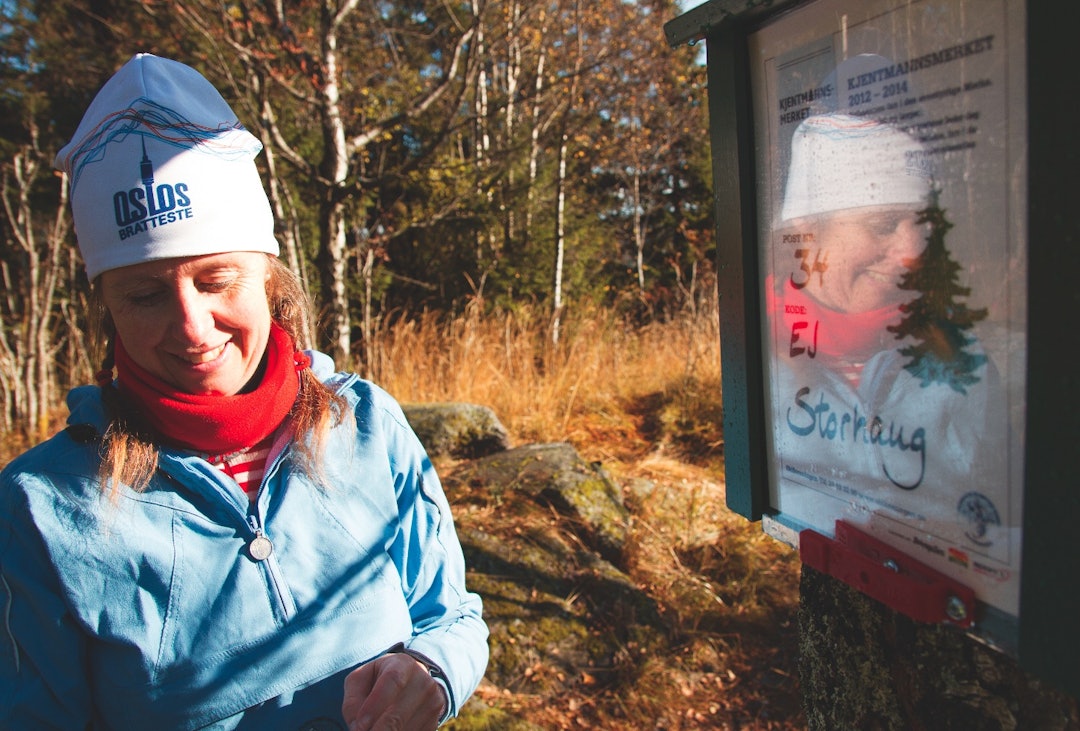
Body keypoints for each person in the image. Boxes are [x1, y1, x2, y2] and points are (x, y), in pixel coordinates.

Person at [0, 53, 488, 730]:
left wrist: (434, 673)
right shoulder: (43, 507)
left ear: (268, 276)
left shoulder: (366, 423)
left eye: (214, 279)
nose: (191, 327)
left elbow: (452, 613)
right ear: (105, 307)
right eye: (143, 294)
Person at [765, 112, 1009, 556]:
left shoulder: (960, 358)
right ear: (805, 233)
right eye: (883, 225)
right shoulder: (759, 358)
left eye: (922, 224)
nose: (912, 251)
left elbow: (1006, 518)